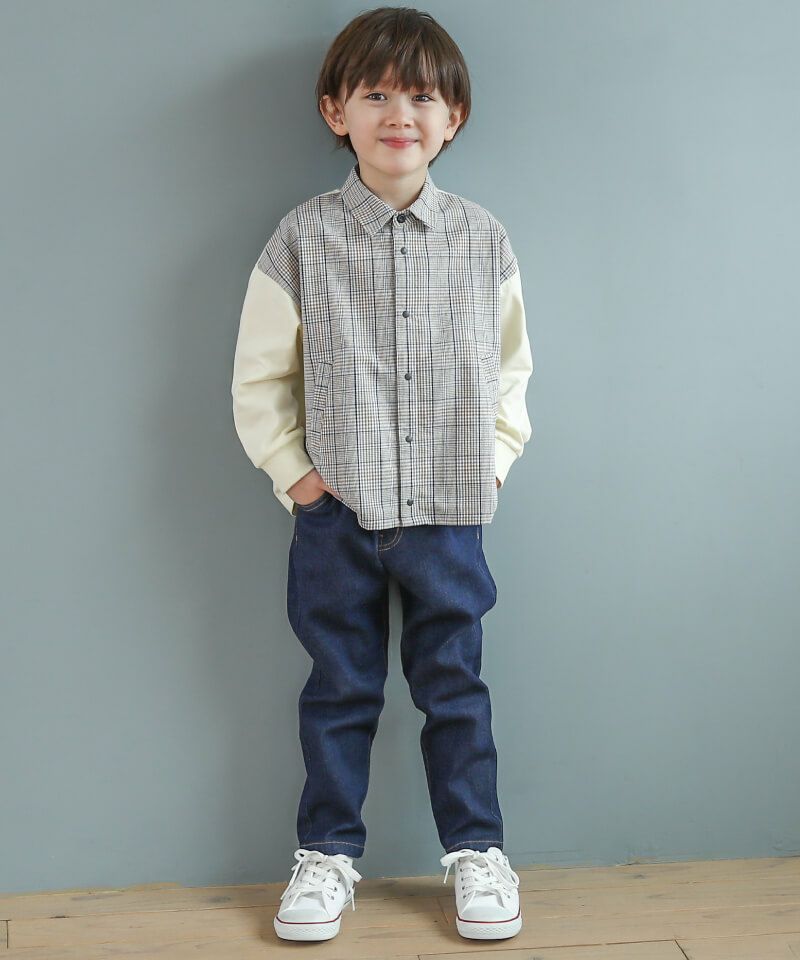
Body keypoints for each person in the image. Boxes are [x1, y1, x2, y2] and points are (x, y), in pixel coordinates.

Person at [231, 5, 533, 944]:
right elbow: (259, 377)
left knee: (456, 690)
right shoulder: (302, 238)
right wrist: (298, 478)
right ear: (337, 112)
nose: (400, 113)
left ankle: (477, 850)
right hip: (337, 514)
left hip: (450, 510)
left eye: (423, 97)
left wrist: (492, 463)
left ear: (454, 118)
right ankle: (326, 855)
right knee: (339, 690)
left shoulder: (483, 238)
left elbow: (513, 370)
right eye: (375, 95)